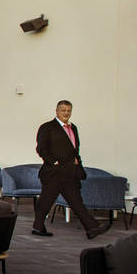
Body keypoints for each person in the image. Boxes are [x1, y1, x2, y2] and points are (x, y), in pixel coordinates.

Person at [31, 99, 110, 239]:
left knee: (76, 202)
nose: (66, 113)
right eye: (63, 110)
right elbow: (41, 149)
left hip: (70, 173)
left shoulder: (73, 128)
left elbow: (75, 149)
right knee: (46, 201)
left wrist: (77, 162)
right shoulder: (47, 127)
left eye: (68, 111)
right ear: (56, 111)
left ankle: (92, 228)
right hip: (53, 173)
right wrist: (54, 162)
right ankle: (38, 227)